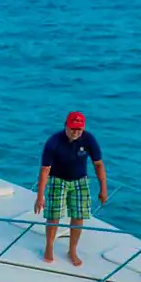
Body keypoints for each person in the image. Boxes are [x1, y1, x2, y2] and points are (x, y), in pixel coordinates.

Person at [33, 111, 107, 266]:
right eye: (72, 128)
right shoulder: (54, 142)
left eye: (79, 129)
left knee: (78, 216)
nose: (75, 132)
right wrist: (40, 196)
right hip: (58, 180)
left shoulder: (89, 140)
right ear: (66, 126)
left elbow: (98, 164)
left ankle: (72, 250)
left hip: (80, 181)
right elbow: (45, 169)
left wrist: (103, 189)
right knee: (54, 215)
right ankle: (49, 246)